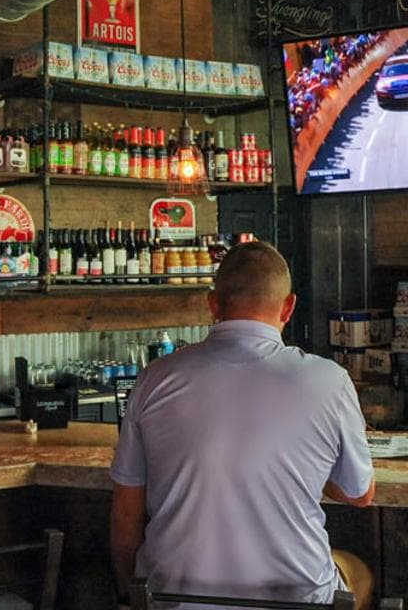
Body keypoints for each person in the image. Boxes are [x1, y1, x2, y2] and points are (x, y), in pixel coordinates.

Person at [110, 241, 374, 607]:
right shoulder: (329, 381)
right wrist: (307, 466)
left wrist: (128, 597)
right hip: (291, 602)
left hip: (173, 600)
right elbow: (360, 493)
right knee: (357, 571)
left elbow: (125, 515)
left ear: (213, 304)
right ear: (289, 307)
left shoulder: (155, 379)